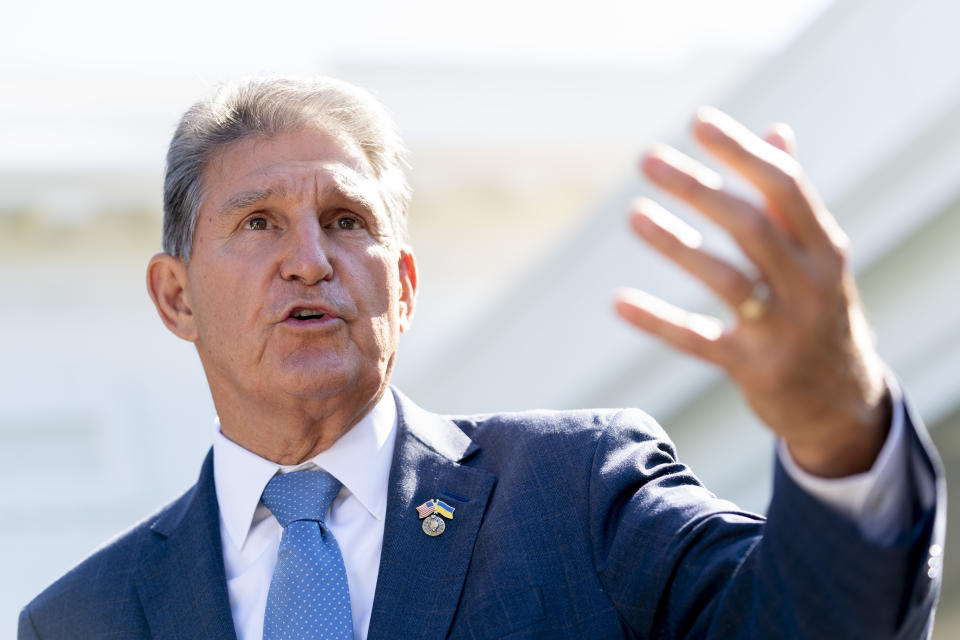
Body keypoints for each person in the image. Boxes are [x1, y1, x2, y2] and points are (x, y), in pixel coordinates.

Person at [18, 77, 944, 639]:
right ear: (176, 296)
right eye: (259, 222)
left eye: (348, 222)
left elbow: (811, 625)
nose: (310, 258)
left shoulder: (576, 491)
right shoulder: (81, 622)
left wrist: (838, 430)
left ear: (405, 287)